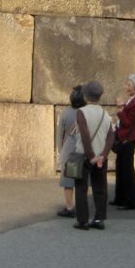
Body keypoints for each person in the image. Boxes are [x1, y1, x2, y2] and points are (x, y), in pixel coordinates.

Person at [72, 80, 114, 231]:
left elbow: (84, 134)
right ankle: (99, 218)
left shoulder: (81, 112)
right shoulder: (106, 114)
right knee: (100, 188)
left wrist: (91, 155)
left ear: (85, 96)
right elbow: (110, 136)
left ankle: (82, 220)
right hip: (101, 157)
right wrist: (103, 154)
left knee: (81, 188)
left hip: (84, 155)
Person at [111, 73, 135, 211]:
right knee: (120, 169)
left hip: (128, 140)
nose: (127, 86)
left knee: (127, 171)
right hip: (123, 137)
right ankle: (119, 197)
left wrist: (120, 109)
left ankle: (130, 200)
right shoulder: (131, 100)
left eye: (129, 85)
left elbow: (128, 122)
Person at [55, 84, 85, 217]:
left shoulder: (66, 113)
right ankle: (82, 205)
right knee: (81, 180)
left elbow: (60, 134)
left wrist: (60, 150)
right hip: (84, 148)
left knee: (69, 180)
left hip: (70, 148)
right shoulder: (86, 112)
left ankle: (69, 206)